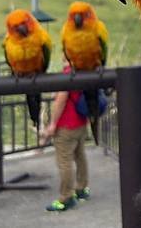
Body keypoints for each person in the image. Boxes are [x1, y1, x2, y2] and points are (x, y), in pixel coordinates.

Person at [42, 64, 90, 212]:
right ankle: (81, 189)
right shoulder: (84, 70)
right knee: (80, 156)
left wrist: (52, 125)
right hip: (81, 122)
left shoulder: (68, 73)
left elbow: (61, 100)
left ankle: (66, 198)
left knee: (64, 162)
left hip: (66, 125)